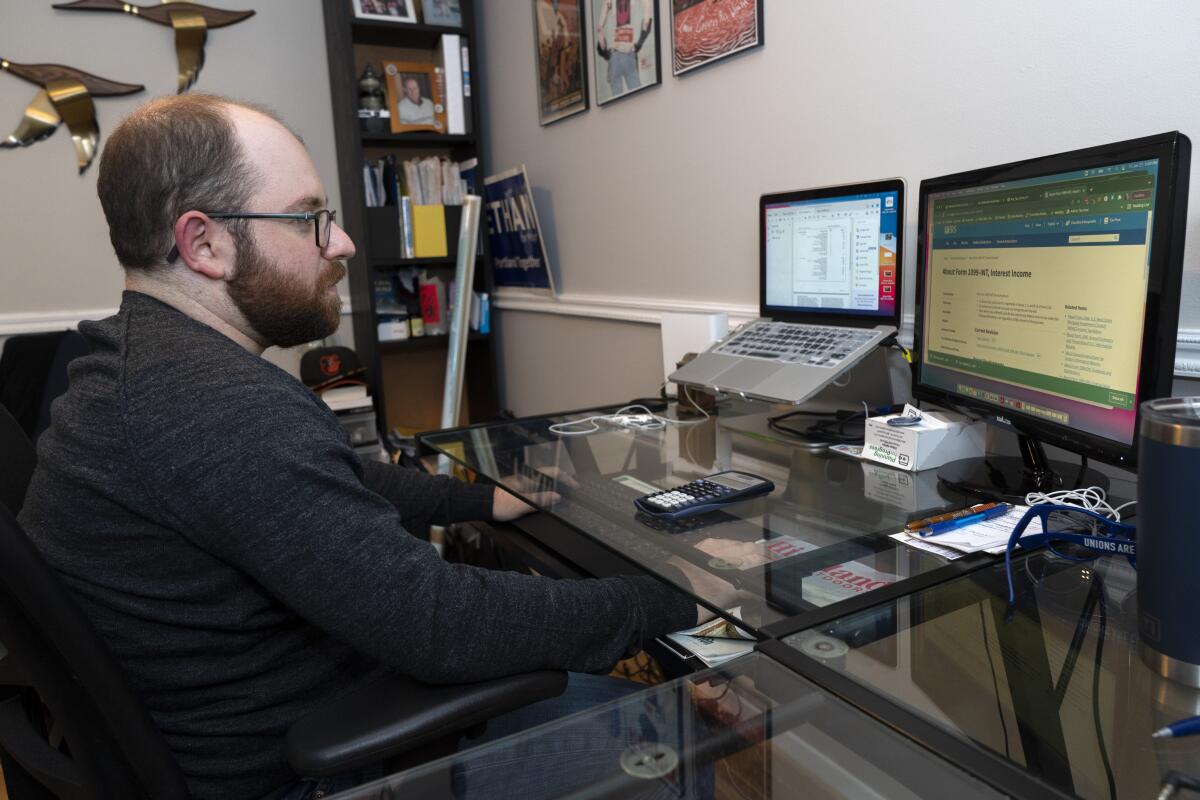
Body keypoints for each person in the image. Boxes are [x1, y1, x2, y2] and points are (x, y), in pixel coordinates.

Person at [17, 94, 731, 799]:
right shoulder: (217, 406)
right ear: (204, 243)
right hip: (308, 769)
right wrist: (671, 599)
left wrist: (480, 498)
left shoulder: (145, 366)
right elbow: (439, 623)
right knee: (672, 729)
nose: (343, 243)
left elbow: (327, 482)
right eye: (309, 219)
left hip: (254, 727)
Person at [595, 0, 654, 96]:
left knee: (616, 101)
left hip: (615, 55)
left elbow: (599, 29)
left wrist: (605, 52)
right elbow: (647, 22)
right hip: (629, 53)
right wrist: (639, 43)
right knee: (637, 96)